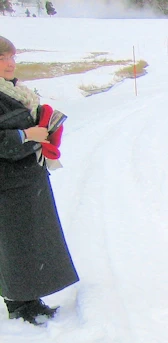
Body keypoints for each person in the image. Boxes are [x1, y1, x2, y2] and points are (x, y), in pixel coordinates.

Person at [0, 36, 78, 326]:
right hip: (8, 184)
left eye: (12, 57)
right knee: (15, 243)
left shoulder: (16, 91)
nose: (10, 63)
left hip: (28, 176)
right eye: (3, 58)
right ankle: (20, 305)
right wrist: (25, 135)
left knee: (31, 241)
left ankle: (31, 299)